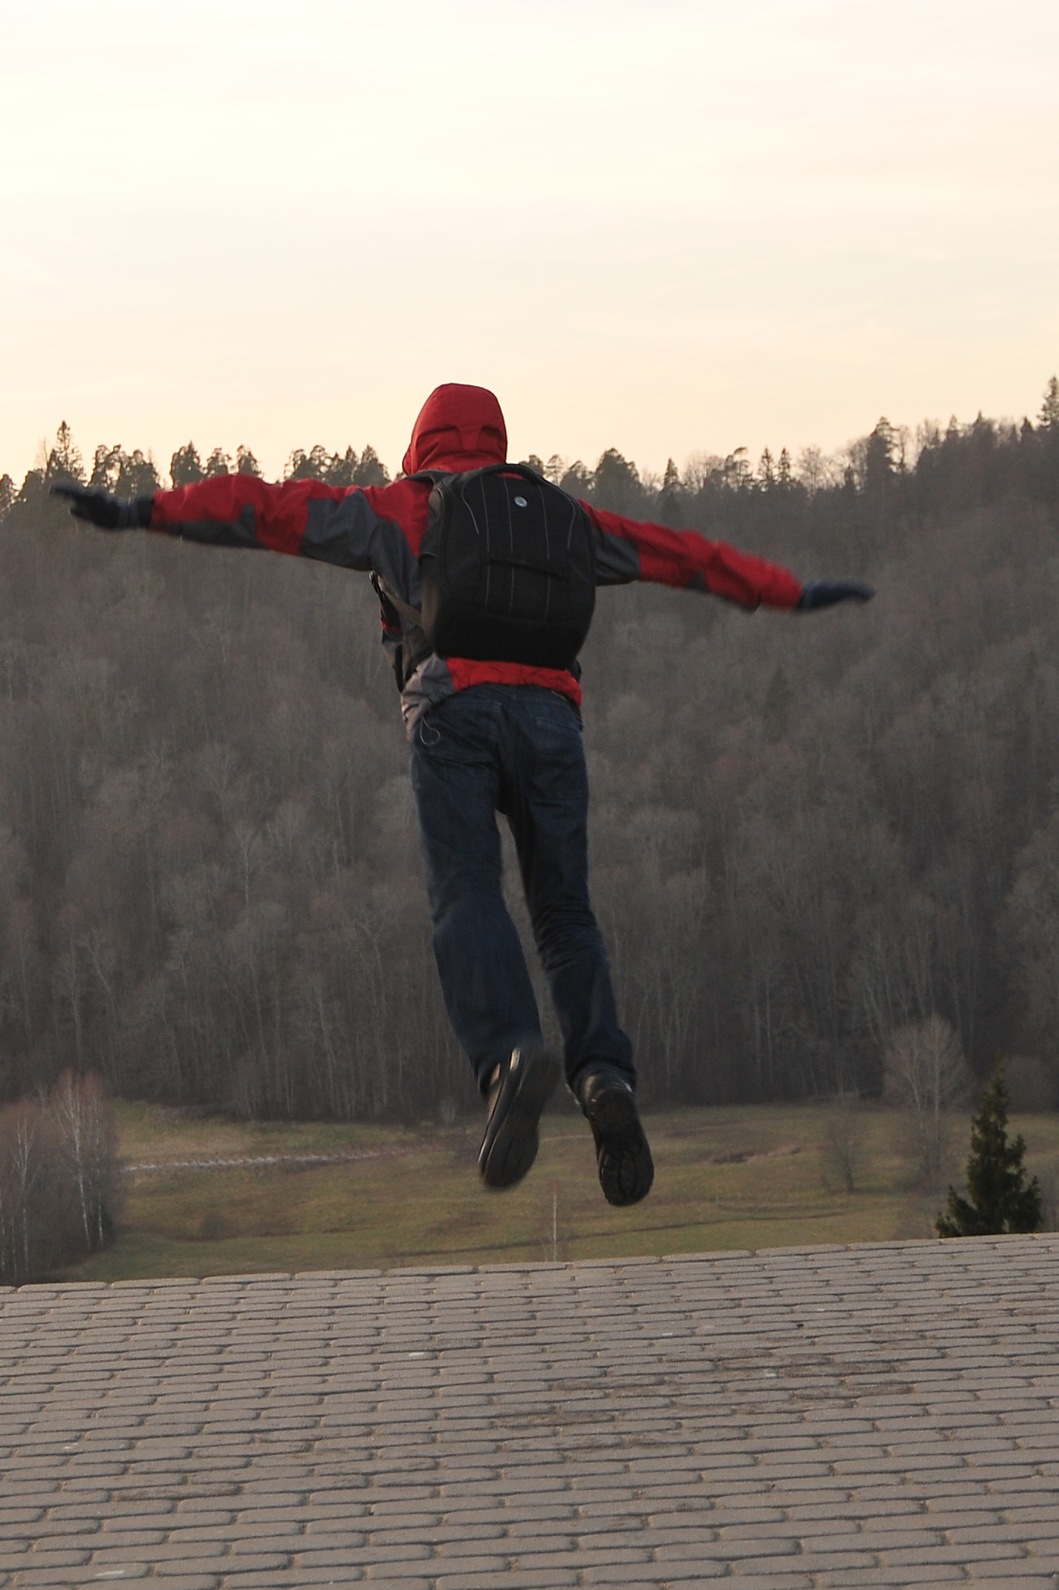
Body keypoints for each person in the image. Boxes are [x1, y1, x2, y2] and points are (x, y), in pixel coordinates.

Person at [52, 382, 872, 1207]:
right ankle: (604, 1076)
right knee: (565, 913)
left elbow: (265, 510)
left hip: (452, 715)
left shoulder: (402, 510)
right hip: (552, 723)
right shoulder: (563, 518)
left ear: (422, 443)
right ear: (498, 442)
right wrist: (789, 591)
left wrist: (142, 511)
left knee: (466, 895)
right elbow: (678, 555)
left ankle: (509, 1054)